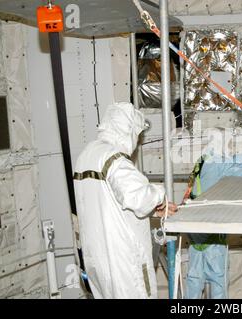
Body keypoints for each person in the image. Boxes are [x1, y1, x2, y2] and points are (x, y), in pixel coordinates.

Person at [73, 102, 177, 299]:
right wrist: (159, 193)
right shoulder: (115, 160)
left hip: (98, 259)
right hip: (123, 260)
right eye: (137, 135)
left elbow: (108, 201)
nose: (137, 141)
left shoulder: (87, 155)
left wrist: (155, 210)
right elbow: (137, 197)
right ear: (128, 130)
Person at [184, 129, 242, 299]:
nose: (231, 147)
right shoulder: (219, 162)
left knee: (195, 274)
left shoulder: (205, 158)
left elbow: (234, 160)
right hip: (211, 222)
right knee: (218, 274)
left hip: (194, 220)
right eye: (229, 143)